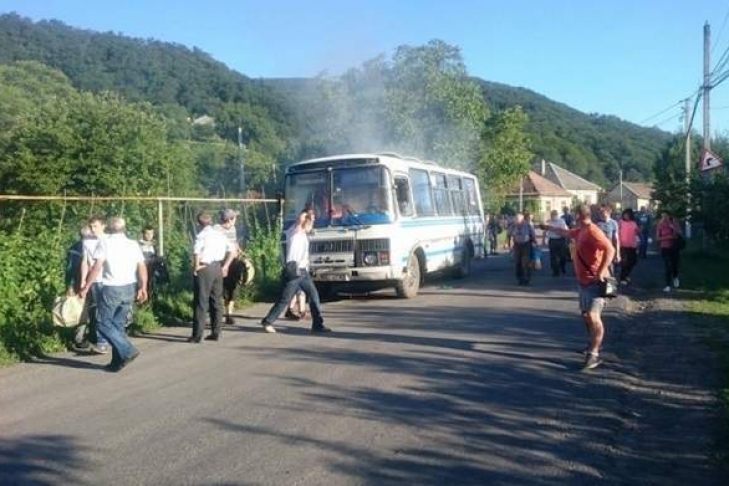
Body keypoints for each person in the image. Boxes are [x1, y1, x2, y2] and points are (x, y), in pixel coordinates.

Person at [542, 205, 616, 371]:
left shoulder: (593, 231)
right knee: (586, 315)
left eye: (575, 215)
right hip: (583, 282)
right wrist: (548, 227)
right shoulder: (581, 230)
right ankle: (594, 343)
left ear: (578, 216)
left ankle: (594, 354)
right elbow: (565, 232)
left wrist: (600, 271)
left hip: (596, 282)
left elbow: (610, 249)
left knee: (593, 316)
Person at [79, 217, 148, 372]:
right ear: (124, 228)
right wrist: (143, 287)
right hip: (129, 287)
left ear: (108, 229)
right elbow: (142, 266)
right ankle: (117, 361)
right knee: (117, 325)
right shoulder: (133, 244)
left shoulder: (105, 242)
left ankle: (127, 350)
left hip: (112, 288)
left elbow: (97, 267)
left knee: (103, 324)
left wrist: (86, 286)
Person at [260, 208, 330, 334]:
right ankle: (267, 321)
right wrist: (307, 214)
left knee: (314, 295)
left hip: (302, 271)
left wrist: (310, 217)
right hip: (294, 271)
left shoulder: (303, 234)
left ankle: (317, 325)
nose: (312, 224)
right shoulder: (294, 232)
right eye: (311, 222)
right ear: (305, 221)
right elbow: (300, 220)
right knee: (285, 299)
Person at [190, 211, 236, 343]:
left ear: (198, 223)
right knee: (216, 300)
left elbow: (196, 251)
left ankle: (197, 334)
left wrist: (196, 266)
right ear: (210, 221)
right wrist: (226, 266)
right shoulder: (219, 234)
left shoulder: (202, 235)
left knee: (201, 300)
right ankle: (216, 332)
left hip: (205, 267)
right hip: (217, 267)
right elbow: (232, 250)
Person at [80, 215, 110, 354]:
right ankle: (102, 341)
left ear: (103, 226)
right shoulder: (86, 242)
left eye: (96, 226)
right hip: (95, 281)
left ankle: (107, 339)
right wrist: (84, 281)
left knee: (106, 310)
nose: (93, 229)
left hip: (109, 280)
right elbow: (85, 262)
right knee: (99, 311)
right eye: (91, 226)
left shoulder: (109, 240)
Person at [214, 209, 243, 324]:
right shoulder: (217, 229)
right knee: (220, 288)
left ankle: (229, 314)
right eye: (234, 217)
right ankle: (217, 313)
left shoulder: (233, 228)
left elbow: (234, 242)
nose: (236, 219)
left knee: (232, 287)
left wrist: (240, 250)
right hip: (221, 260)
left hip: (233, 261)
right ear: (230, 219)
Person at [656, 210, 682, 293]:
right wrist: (667, 237)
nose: (664, 218)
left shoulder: (674, 222)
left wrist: (672, 227)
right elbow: (657, 238)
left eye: (666, 216)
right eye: (663, 216)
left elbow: (680, 233)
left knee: (674, 265)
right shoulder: (660, 224)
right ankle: (668, 285)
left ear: (669, 216)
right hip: (665, 247)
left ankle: (675, 277)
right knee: (668, 266)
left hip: (674, 247)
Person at [510, 212, 536, 285]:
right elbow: (509, 234)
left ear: (522, 219)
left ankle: (527, 279)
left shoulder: (528, 225)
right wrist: (508, 244)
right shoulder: (513, 226)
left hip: (526, 245)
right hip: (517, 245)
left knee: (526, 262)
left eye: (517, 219)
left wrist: (535, 241)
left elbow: (532, 234)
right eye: (516, 219)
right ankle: (520, 279)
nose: (516, 220)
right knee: (517, 262)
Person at [543, 210, 568, 277]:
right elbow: (545, 231)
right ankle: (555, 271)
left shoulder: (561, 221)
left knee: (562, 256)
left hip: (561, 240)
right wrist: (543, 240)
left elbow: (566, 230)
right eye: (552, 215)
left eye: (554, 215)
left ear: (557, 215)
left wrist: (559, 231)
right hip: (552, 240)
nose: (553, 216)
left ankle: (562, 266)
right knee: (553, 257)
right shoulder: (548, 222)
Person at [618, 208, 640, 285]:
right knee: (625, 262)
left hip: (632, 245)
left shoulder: (634, 223)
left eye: (627, 214)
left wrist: (639, 231)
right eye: (625, 214)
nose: (626, 216)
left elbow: (637, 232)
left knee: (633, 261)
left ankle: (626, 275)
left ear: (631, 215)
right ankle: (622, 278)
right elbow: (617, 232)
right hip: (623, 245)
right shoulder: (620, 222)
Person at [597, 204, 621, 273]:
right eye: (600, 212)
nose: (601, 213)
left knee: (610, 267)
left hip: (609, 249)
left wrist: (617, 253)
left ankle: (611, 278)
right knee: (600, 269)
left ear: (608, 212)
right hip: (600, 250)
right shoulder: (598, 223)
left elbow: (616, 239)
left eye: (602, 212)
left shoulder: (613, 223)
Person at [138, 225, 158, 296]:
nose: (149, 236)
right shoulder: (139, 244)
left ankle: (151, 298)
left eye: (151, 234)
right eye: (147, 233)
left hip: (152, 268)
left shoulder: (155, 245)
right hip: (142, 269)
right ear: (143, 234)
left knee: (151, 284)